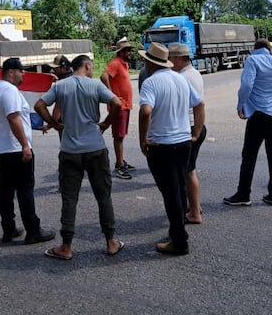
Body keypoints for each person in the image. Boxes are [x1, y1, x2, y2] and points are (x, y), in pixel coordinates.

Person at [35, 54, 125, 260]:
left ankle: (66, 246)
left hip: (69, 150)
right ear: (86, 66)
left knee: (69, 198)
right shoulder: (94, 85)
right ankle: (111, 241)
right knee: (103, 195)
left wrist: (54, 123)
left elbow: (39, 105)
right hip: (95, 147)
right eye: (91, 66)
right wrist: (106, 123)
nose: (92, 69)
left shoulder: (60, 86)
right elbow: (117, 104)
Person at [139, 43, 204, 256]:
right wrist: (196, 131)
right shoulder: (181, 79)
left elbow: (146, 111)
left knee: (171, 193)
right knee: (179, 189)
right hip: (183, 142)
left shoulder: (151, 83)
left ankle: (179, 240)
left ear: (150, 62)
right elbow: (199, 103)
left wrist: (143, 139)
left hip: (162, 145)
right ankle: (178, 233)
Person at [0, 57, 55, 244]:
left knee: (5, 189)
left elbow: (16, 119)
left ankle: (9, 229)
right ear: (11, 72)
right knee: (25, 189)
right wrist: (25, 145)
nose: (24, 73)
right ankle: (33, 230)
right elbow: (13, 118)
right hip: (14, 148)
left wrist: (36, 128)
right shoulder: (9, 90)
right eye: (21, 70)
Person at [225, 38, 272, 207]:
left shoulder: (252, 60)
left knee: (249, 155)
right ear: (269, 49)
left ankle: (243, 194)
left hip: (259, 113)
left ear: (254, 48)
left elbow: (246, 85)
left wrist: (240, 105)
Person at [168, 43, 206, 224]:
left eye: (170, 59)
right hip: (196, 127)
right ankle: (195, 205)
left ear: (177, 58)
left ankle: (194, 212)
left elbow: (197, 106)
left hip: (189, 127)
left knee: (188, 172)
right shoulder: (195, 73)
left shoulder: (182, 77)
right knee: (189, 169)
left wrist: (195, 132)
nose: (168, 62)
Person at [100, 37, 136, 179]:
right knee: (119, 136)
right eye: (127, 50)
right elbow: (104, 76)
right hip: (119, 106)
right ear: (121, 52)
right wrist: (111, 94)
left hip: (125, 105)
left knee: (121, 135)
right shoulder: (115, 63)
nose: (130, 53)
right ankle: (120, 165)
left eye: (130, 50)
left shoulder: (124, 64)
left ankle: (120, 161)